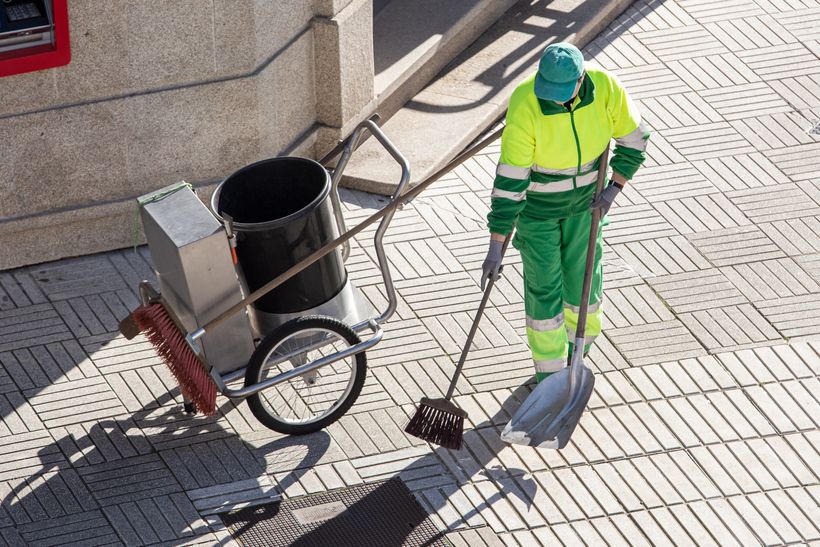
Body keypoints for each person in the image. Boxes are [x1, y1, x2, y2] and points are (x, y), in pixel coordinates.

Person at [481, 42, 650, 382]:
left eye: (561, 91)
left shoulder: (605, 88)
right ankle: (549, 375)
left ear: (580, 80)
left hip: (586, 208)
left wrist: (613, 190)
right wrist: (496, 245)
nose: (553, 98)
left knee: (583, 285)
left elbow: (635, 140)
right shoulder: (526, 101)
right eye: (549, 90)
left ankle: (578, 355)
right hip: (536, 214)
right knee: (544, 288)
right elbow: (511, 178)